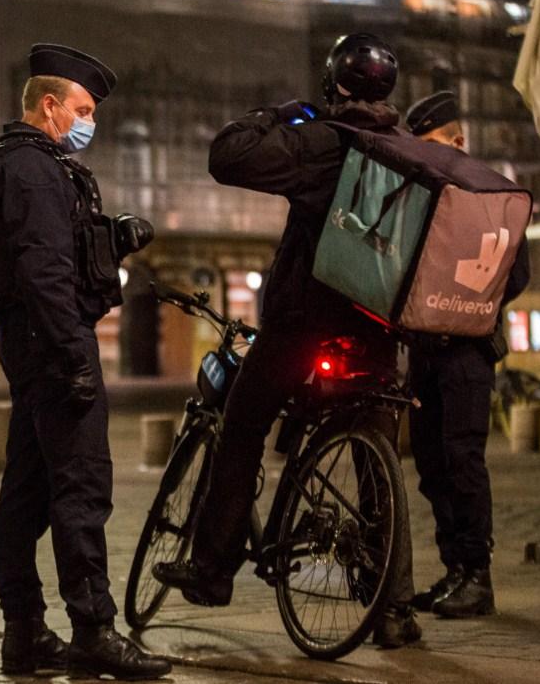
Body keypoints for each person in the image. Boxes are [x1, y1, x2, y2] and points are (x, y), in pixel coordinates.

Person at [152, 33, 423, 647]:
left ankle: (212, 569)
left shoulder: (329, 142)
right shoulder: (409, 153)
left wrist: (281, 113)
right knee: (379, 468)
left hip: (305, 326)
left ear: (336, 84)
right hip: (379, 333)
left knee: (243, 423)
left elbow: (229, 156)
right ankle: (395, 612)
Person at [0, 43, 170, 680]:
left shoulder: (29, 165)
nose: (90, 122)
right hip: (52, 341)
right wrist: (71, 355)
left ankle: (24, 632)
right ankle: (93, 629)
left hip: (35, 341)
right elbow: (43, 270)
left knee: (27, 490)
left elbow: (56, 249)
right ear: (49, 105)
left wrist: (112, 238)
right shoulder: (32, 168)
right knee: (81, 488)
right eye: (82, 109)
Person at [404, 90, 530, 619]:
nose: (431, 157)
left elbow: (514, 276)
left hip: (467, 352)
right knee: (433, 466)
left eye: (436, 145)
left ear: (459, 141)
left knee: (462, 460)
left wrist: (467, 303)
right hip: (426, 350)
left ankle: (477, 576)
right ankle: (456, 569)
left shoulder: (490, 195)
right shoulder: (423, 195)